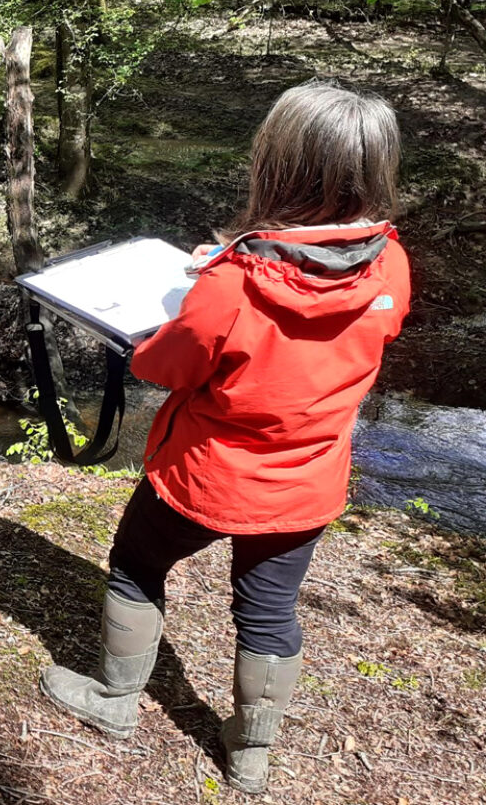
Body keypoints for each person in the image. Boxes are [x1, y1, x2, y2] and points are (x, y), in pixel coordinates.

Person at [39, 80, 411, 794]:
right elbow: (343, 329)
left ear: (279, 166)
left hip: (205, 476)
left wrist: (180, 310)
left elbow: (168, 364)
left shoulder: (235, 284)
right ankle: (249, 754)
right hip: (306, 484)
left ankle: (115, 702)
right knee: (269, 610)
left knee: (136, 564)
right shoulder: (390, 264)